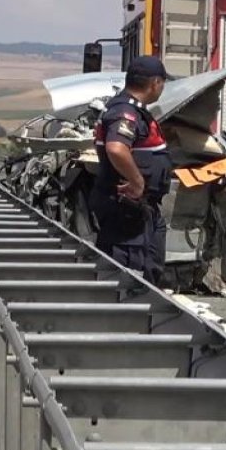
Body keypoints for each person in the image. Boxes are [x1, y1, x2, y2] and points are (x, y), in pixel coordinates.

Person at [89, 55, 172, 287]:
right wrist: (136, 182)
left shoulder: (132, 109)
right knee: (129, 278)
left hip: (140, 209)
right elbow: (116, 148)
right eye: (162, 83)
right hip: (126, 210)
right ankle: (124, 321)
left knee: (149, 271)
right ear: (155, 83)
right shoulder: (126, 111)